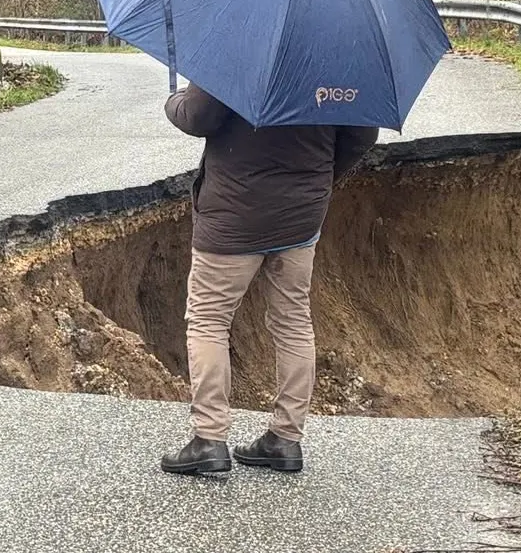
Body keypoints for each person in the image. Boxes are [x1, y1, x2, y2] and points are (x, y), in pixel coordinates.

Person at [157, 82, 381, 476]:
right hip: (301, 215)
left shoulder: (239, 45)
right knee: (293, 321)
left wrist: (173, 101)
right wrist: (319, 182)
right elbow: (362, 135)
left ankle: (209, 438)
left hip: (233, 215)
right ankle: (285, 438)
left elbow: (199, 116)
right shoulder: (341, 60)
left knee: (209, 320)